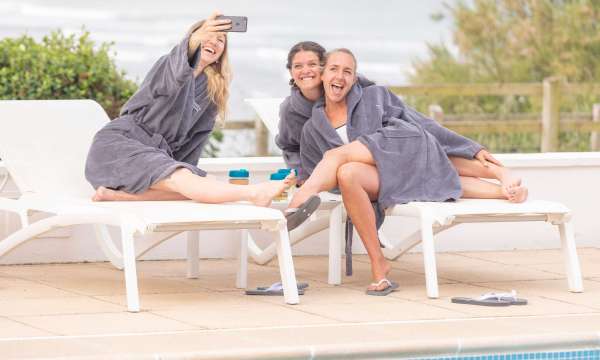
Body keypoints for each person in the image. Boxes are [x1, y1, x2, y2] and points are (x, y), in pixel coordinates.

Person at [288, 49, 528, 295]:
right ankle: (505, 191)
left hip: (401, 144)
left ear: (355, 77)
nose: (340, 76)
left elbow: (423, 123)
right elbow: (311, 167)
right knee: (347, 173)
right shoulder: (312, 128)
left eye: (347, 71)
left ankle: (296, 206)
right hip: (384, 174)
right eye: (334, 69)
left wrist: (472, 148)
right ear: (323, 74)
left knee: (336, 156)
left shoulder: (374, 96)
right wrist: (297, 178)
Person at [85, 12, 292, 206]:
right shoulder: (168, 65)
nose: (214, 41)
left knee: (201, 180)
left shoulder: (211, 94)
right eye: (208, 35)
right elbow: (178, 67)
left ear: (221, 55)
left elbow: (194, 142)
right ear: (192, 41)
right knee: (186, 180)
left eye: (220, 40)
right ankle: (254, 193)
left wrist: (188, 171)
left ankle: (116, 196)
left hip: (155, 157)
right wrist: (195, 40)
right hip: (120, 144)